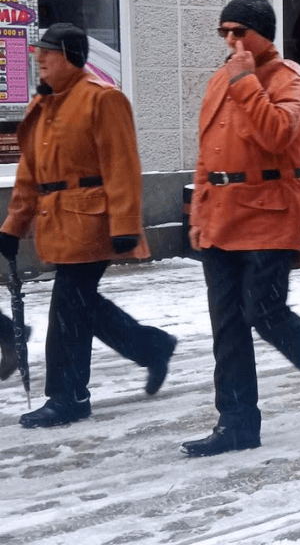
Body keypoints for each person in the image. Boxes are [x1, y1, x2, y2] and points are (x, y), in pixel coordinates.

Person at [183, 0, 300, 457]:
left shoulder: (291, 79)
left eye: (240, 32)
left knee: (263, 312)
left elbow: (279, 135)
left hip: (267, 214)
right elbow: (208, 152)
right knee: (227, 325)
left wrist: (245, 82)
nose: (231, 40)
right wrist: (198, 213)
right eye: (225, 33)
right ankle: (237, 421)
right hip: (220, 215)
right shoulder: (222, 78)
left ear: (264, 34)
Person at [0, 23, 176, 428]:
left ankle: (68, 397)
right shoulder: (42, 105)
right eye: (38, 52)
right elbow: (30, 173)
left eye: (48, 52)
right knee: (82, 306)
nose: (39, 59)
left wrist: (126, 223)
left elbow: (122, 165)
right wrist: (13, 225)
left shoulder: (102, 100)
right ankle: (152, 347)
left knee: (67, 309)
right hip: (56, 222)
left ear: (73, 56)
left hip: (93, 221)